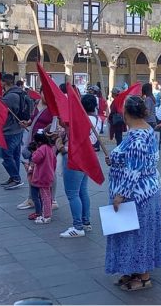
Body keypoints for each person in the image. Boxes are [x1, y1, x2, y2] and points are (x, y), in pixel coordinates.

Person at [105, 96, 161, 291]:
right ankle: (132, 270)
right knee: (131, 234)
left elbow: (135, 169)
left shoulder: (138, 136)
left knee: (138, 236)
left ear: (126, 113)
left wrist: (120, 195)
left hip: (138, 195)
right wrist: (115, 160)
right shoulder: (144, 129)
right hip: (145, 192)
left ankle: (144, 276)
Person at [54, 94, 99, 238]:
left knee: (72, 192)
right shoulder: (97, 119)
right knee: (82, 191)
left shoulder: (82, 120)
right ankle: (85, 222)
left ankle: (78, 226)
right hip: (88, 157)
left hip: (76, 158)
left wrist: (62, 147)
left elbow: (76, 142)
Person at [17, 87, 57, 211]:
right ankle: (32, 198)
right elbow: (33, 118)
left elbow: (57, 125)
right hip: (34, 142)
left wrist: (52, 132)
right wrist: (27, 123)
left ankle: (52, 199)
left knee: (49, 170)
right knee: (32, 169)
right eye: (43, 92)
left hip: (47, 144)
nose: (45, 96)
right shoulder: (36, 103)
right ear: (40, 93)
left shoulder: (54, 107)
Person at [0, 74, 25, 190]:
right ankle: (14, 176)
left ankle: (16, 178)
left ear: (4, 82)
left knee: (7, 156)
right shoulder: (17, 92)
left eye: (1, 82)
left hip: (10, 130)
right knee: (15, 155)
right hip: (17, 129)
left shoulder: (11, 96)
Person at [28, 130, 56, 224]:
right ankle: (45, 213)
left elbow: (36, 158)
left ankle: (46, 216)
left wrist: (34, 152)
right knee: (48, 195)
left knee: (45, 196)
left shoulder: (41, 149)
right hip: (49, 175)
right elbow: (54, 161)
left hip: (42, 176)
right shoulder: (49, 148)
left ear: (38, 141)